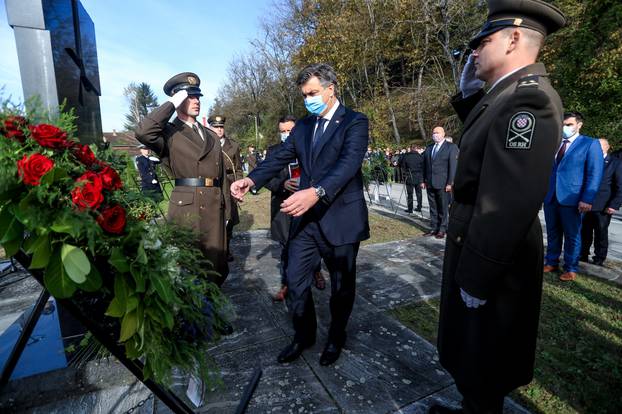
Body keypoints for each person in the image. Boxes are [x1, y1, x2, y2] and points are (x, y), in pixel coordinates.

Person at [432, 1, 567, 413]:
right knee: (470, 351)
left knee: (485, 357)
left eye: (482, 42)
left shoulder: (529, 102)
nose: (473, 52)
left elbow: (506, 201)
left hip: (492, 253)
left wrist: (477, 275)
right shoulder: (506, 95)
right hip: (475, 239)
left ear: (513, 39)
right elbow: (482, 135)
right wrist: (470, 93)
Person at [231, 63, 369, 366]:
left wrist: (316, 191)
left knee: (341, 286)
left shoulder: (355, 122)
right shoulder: (304, 126)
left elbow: (348, 164)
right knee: (294, 280)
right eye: (304, 96)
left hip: (340, 218)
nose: (308, 100)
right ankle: (304, 335)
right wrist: (252, 179)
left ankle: (336, 336)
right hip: (306, 222)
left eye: (313, 93)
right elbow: (278, 157)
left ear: (331, 89)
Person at [135, 72, 230, 285]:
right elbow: (143, 132)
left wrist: (228, 211)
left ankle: (212, 308)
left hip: (215, 203)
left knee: (216, 264)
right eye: (189, 97)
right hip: (187, 205)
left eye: (197, 97)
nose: (196, 101)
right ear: (177, 99)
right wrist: (170, 104)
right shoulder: (168, 133)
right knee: (189, 265)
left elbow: (222, 175)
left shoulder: (211, 135)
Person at [264, 115, 325, 301]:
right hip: (284, 208)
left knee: (312, 243)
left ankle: (316, 271)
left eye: (289, 131)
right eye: (282, 131)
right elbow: (266, 177)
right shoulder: (273, 151)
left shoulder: (310, 148)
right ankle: (286, 283)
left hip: (308, 207)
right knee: (286, 248)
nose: (286, 134)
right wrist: (283, 184)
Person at [543, 111, 603, 281]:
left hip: (574, 198)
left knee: (572, 235)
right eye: (563, 124)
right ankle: (551, 262)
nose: (565, 128)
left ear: (579, 125)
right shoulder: (554, 143)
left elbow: (594, 174)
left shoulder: (590, 144)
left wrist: (587, 198)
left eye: (569, 124)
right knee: (553, 232)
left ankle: (570, 267)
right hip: (551, 196)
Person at [580, 139, 622, 266]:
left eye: (600, 145)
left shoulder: (615, 163)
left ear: (607, 147)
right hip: (586, 203)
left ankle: (599, 257)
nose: (596, 148)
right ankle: (583, 254)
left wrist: (614, 205)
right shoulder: (589, 160)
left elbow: (620, 186)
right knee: (584, 231)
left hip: (603, 205)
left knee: (601, 232)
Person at [209, 115, 243, 262]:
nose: (219, 130)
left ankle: (227, 249)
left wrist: (239, 185)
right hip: (213, 184)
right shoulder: (206, 144)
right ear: (211, 128)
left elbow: (238, 168)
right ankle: (215, 251)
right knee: (214, 218)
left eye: (221, 127)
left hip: (229, 184)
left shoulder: (233, 145)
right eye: (216, 127)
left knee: (228, 218)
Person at [422, 126, 459, 239]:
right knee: (433, 207)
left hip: (443, 183)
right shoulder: (429, 148)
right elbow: (425, 166)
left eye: (437, 133)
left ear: (443, 134)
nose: (435, 135)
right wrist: (423, 180)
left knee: (443, 207)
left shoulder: (451, 147)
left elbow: (453, 166)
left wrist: (450, 183)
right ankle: (434, 227)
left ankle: (442, 229)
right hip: (430, 183)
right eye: (433, 133)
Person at [399, 144, 424, 213]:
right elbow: (423, 168)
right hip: (419, 177)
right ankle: (419, 207)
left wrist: (405, 175)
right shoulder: (420, 157)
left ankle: (410, 208)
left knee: (410, 194)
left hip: (409, 176)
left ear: (410, 148)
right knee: (419, 193)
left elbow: (403, 167)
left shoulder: (406, 157)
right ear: (416, 149)